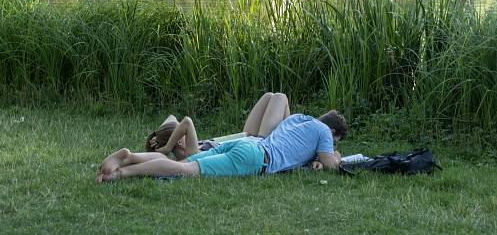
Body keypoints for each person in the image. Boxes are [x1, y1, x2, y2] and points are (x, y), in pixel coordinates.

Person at [96, 109, 347, 183]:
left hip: (247, 144)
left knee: (182, 163)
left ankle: (129, 158)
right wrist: (334, 153)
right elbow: (331, 165)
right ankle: (121, 173)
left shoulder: (297, 118)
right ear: (333, 131)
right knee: (186, 170)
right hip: (256, 159)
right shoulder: (324, 132)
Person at [145, 92, 291, 161]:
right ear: (178, 141)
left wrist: (158, 137)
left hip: (246, 135)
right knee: (280, 97)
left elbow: (172, 118)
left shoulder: (185, 144)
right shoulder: (191, 153)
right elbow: (186, 122)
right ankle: (291, 148)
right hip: (258, 143)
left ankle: (291, 145)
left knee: (268, 96)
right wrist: (166, 147)